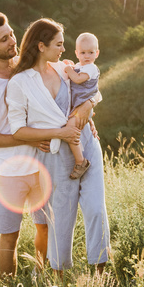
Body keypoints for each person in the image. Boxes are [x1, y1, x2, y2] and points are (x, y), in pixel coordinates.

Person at [0, 12, 78, 279]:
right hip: (7, 172)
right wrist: (27, 137)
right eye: (3, 39)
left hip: (42, 165)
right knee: (10, 236)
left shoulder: (30, 66)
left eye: (12, 35)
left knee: (46, 228)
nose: (12, 42)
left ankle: (42, 280)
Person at [6, 18, 110, 274]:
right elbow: (18, 130)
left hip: (87, 141)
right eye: (59, 44)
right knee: (60, 221)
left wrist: (89, 105)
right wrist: (59, 132)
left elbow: (92, 88)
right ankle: (59, 278)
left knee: (96, 209)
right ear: (41, 46)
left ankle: (101, 275)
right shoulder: (20, 82)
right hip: (55, 154)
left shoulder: (65, 68)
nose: (64, 49)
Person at [62, 32, 101, 179]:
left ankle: (81, 161)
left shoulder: (91, 68)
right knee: (72, 128)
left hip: (83, 106)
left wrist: (68, 70)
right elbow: (75, 70)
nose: (87, 56)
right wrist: (70, 65)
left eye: (91, 52)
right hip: (79, 106)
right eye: (83, 52)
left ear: (96, 53)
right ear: (77, 53)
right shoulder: (79, 65)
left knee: (70, 129)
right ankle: (78, 157)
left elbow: (77, 79)